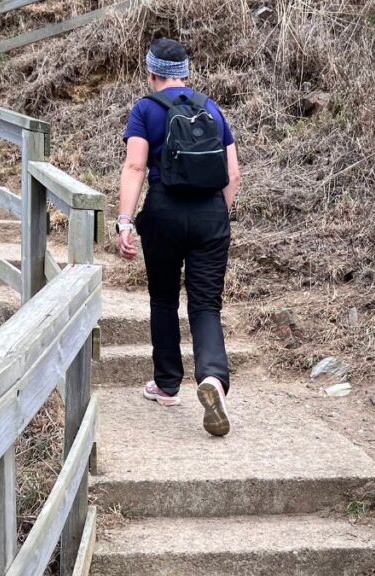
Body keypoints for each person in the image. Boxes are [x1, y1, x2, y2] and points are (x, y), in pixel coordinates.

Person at [115, 38, 240, 437]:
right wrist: (217, 214)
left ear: (151, 74)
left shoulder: (145, 110)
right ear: (186, 74)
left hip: (164, 213)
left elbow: (135, 167)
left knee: (164, 299)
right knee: (205, 305)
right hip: (210, 215)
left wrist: (125, 220)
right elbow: (233, 174)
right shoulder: (211, 108)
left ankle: (167, 385)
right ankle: (214, 379)